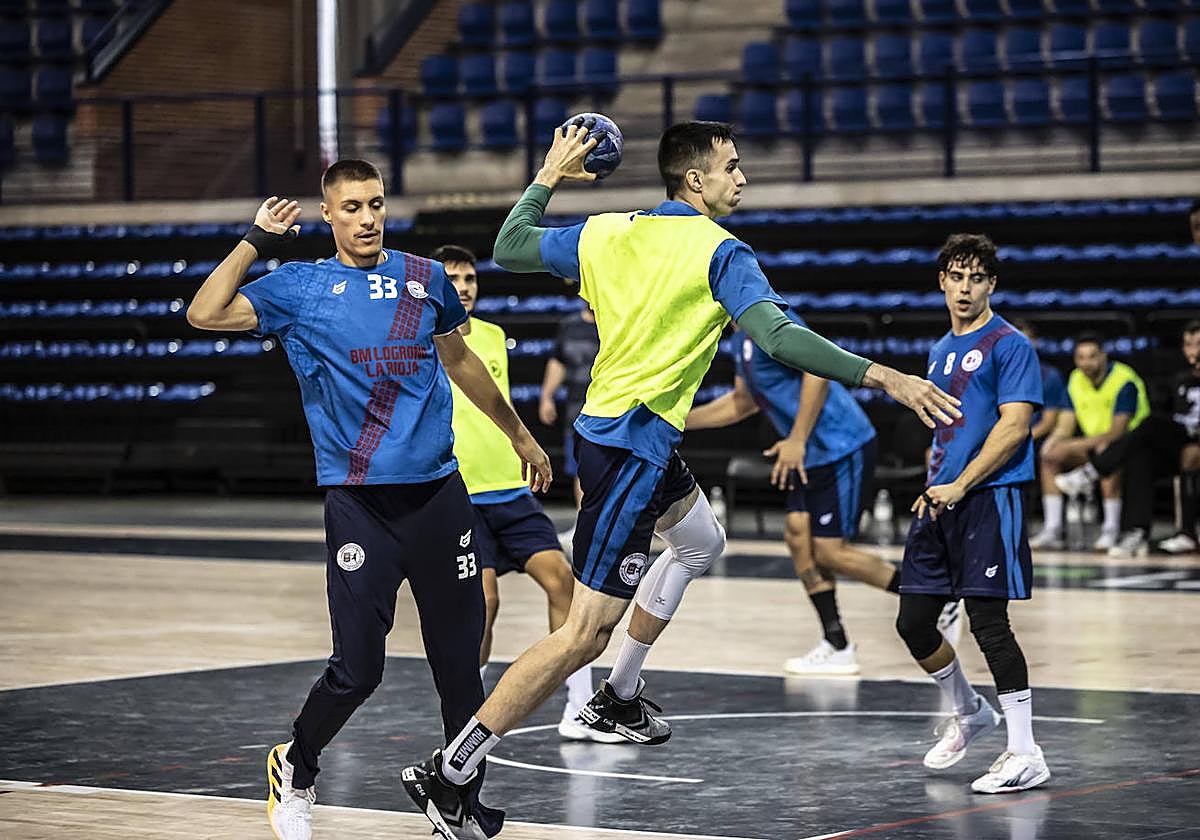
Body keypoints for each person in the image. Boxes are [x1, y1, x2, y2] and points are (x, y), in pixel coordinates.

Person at [400, 119, 960, 838]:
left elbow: (510, 245)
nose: (742, 178)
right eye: (732, 166)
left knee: (701, 541)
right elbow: (780, 338)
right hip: (629, 450)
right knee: (582, 633)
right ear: (695, 179)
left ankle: (620, 697)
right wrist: (883, 374)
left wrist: (548, 172)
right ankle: (451, 770)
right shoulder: (722, 252)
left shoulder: (606, 230)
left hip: (630, 437)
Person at [186, 160, 552, 840]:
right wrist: (256, 241)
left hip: (441, 499)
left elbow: (461, 359)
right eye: (351, 207)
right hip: (361, 506)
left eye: (375, 204)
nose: (366, 218)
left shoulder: (425, 278)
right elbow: (204, 312)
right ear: (328, 214)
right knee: (358, 669)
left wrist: (521, 436)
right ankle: (296, 764)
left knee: (460, 667)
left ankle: (457, 800)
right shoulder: (298, 287)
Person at [686, 312, 961, 674]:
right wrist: (679, 421)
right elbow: (742, 402)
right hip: (811, 455)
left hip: (840, 446)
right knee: (798, 538)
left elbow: (816, 371)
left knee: (831, 553)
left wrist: (797, 438)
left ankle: (935, 597)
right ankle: (837, 643)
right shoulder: (741, 337)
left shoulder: (772, 316)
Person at [434, 243, 619, 743]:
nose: (464, 286)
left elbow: (496, 408)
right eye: (453, 278)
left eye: (470, 278)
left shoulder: (493, 336)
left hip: (512, 493)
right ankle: (468, 716)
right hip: (461, 495)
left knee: (565, 584)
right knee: (485, 603)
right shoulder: (424, 343)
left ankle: (579, 708)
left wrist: (525, 445)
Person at [894, 233, 1051, 794]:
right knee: (912, 621)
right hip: (943, 500)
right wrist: (934, 485)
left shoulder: (1009, 345)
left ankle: (1026, 751)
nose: (965, 288)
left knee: (988, 622)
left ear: (991, 285)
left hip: (990, 496)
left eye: (976, 278)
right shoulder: (939, 349)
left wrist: (961, 484)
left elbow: (1014, 427)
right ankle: (970, 712)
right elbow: (944, 430)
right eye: (956, 277)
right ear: (942, 281)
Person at [1055, 320, 1200, 556]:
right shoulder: (1181, 379)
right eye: (1189, 345)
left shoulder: (1124, 379)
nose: (1194, 351)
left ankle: (1091, 473)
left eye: (1198, 344)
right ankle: (1137, 533)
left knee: (1147, 427)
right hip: (1179, 442)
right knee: (1140, 450)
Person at [1030, 333, 1149, 551]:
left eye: (1092, 356)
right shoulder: (1075, 379)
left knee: (1107, 453)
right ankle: (1053, 529)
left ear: (1103, 356)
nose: (1086, 363)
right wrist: (1055, 440)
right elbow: (1065, 424)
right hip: (1092, 445)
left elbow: (1117, 432)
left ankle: (1110, 530)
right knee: (1050, 455)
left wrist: (1073, 445)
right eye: (1081, 357)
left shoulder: (1124, 380)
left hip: (1132, 448)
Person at [539, 301, 600, 544]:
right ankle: (584, 527)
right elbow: (558, 361)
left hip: (611, 409)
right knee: (581, 471)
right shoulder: (570, 325)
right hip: (576, 412)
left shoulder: (616, 319)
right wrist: (546, 397)